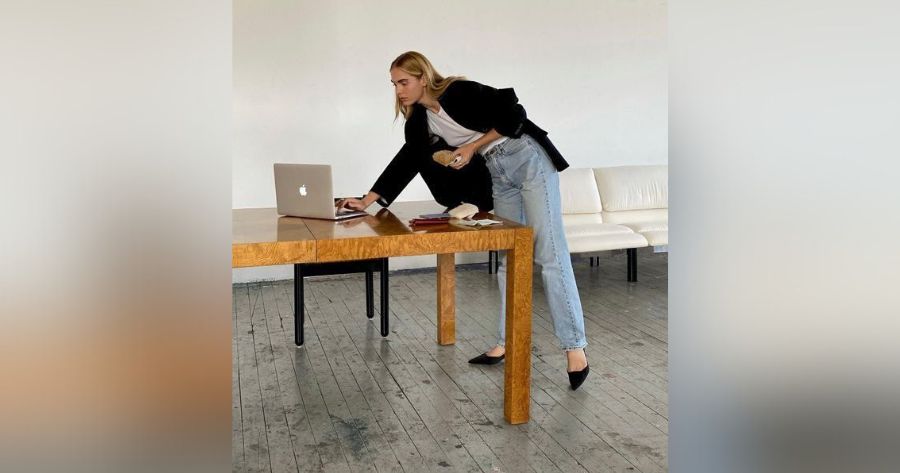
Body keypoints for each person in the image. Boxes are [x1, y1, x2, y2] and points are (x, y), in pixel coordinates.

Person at [338, 51, 589, 390]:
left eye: (404, 82)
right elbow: (406, 161)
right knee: (507, 257)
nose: (398, 90)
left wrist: (473, 146)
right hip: (498, 174)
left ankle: (575, 348)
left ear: (423, 78)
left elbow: (514, 112)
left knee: (550, 254)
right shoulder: (420, 122)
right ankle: (506, 341)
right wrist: (367, 200)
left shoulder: (458, 92)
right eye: (394, 84)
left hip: (527, 159)